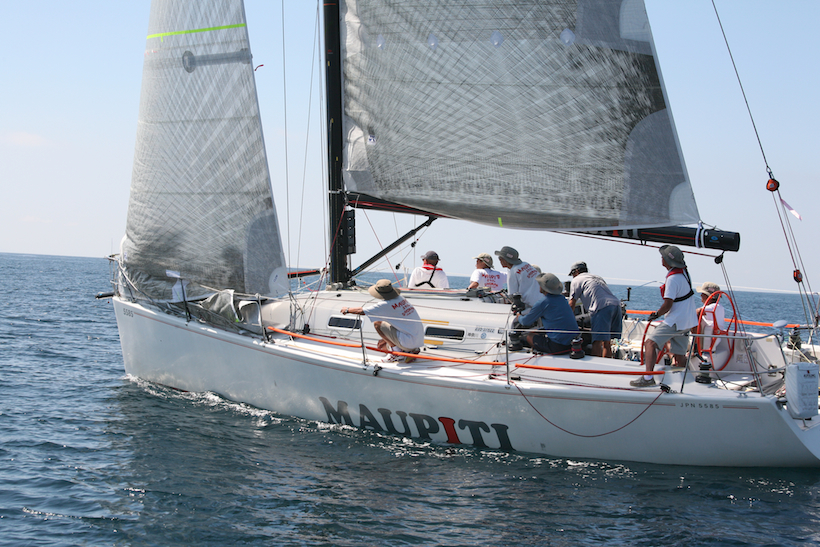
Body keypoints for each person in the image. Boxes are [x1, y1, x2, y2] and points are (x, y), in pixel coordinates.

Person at [631, 245, 698, 387]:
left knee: (650, 343)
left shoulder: (672, 279)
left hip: (675, 321)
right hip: (687, 321)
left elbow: (668, 305)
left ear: (667, 260)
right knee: (679, 354)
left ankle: (648, 378)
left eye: (663, 257)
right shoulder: (685, 274)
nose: (661, 259)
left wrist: (656, 314)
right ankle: (689, 381)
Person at [341, 279, 424, 363]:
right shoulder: (400, 298)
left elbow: (361, 311)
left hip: (409, 342)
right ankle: (411, 349)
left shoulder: (385, 304)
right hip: (418, 340)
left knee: (377, 324)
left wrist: (347, 310)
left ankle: (396, 353)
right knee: (388, 324)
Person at [568, 261, 622, 358]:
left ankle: (596, 365)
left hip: (601, 307)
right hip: (616, 305)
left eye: (572, 274)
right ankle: (607, 364)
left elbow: (572, 302)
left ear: (576, 271)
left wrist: (567, 321)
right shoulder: (597, 277)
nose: (573, 276)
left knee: (597, 341)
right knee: (607, 342)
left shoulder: (577, 280)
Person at [515, 273, 579, 355]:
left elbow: (525, 322)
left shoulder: (543, 303)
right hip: (573, 343)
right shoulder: (563, 299)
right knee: (536, 331)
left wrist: (519, 317)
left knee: (529, 336)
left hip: (558, 346)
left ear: (543, 288)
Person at [695, 281, 728, 362]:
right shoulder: (718, 307)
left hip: (707, 343)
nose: (701, 295)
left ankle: (694, 349)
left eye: (703, 294)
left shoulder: (714, 307)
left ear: (708, 296)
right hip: (712, 342)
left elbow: (698, 312)